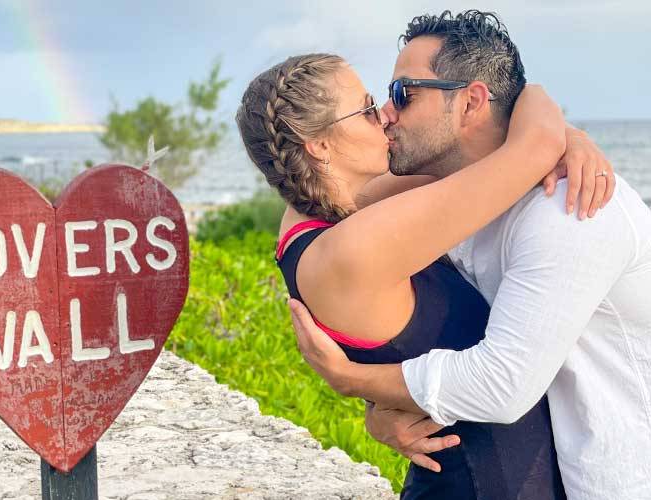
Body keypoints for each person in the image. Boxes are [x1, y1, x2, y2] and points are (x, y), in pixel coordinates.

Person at [236, 19, 613, 500]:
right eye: (368, 110)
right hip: (484, 483)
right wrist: (534, 101)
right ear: (319, 145)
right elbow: (532, 146)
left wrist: (569, 137)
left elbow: (488, 156)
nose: (387, 116)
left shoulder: (328, 217)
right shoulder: (351, 248)